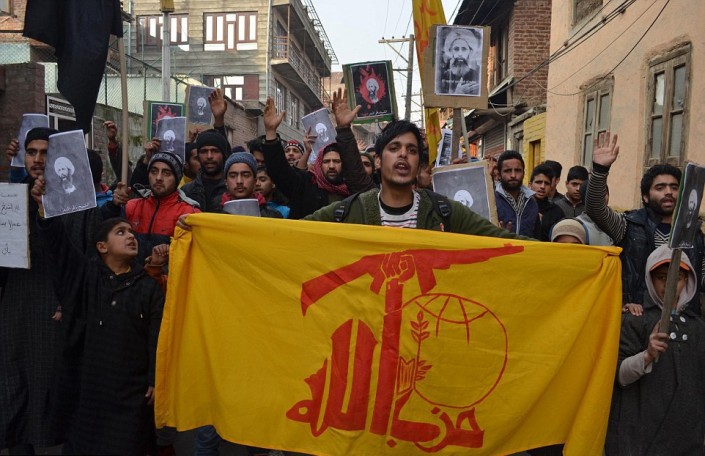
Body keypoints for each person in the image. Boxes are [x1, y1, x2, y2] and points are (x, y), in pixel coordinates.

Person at [32, 189, 164, 454]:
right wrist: (45, 211)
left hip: (131, 395)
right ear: (102, 247)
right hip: (89, 393)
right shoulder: (86, 278)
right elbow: (60, 248)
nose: (130, 236)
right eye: (120, 232)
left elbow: (156, 338)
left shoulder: (148, 288)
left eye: (131, 232)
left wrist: (154, 378)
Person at [304, 119, 528, 241]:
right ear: (378, 160)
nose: (403, 154)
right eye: (394, 148)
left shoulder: (444, 211)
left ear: (418, 162)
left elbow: (502, 240)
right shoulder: (350, 211)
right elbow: (294, 234)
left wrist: (551, 252)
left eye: (411, 150)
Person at [586, 131, 704, 313]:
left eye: (674, 187)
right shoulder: (629, 225)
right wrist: (600, 170)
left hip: (682, 320)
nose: (669, 192)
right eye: (660, 187)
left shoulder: (693, 232)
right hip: (638, 316)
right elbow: (595, 208)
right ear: (645, 197)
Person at [605, 245, 705, 455]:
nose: (669, 284)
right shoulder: (635, 320)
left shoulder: (697, 327)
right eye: (662, 277)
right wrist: (647, 355)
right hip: (641, 435)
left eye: (677, 277)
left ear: (687, 280)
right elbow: (619, 376)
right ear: (651, 279)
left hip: (686, 437)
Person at [0, 127, 65, 454]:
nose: (38, 159)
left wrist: (67, 300)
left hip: (51, 305)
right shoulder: (11, 196)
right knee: (13, 381)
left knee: (43, 383)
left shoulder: (70, 198)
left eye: (45, 152)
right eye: (31, 152)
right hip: (14, 302)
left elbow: (78, 253)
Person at [262, 89, 375, 219]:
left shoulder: (355, 191)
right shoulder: (306, 186)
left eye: (336, 161)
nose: (331, 166)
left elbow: (354, 167)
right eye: (326, 161)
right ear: (319, 164)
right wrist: (270, 132)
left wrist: (344, 129)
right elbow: (279, 172)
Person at [220, 152, 282, 218]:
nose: (239, 181)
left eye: (246, 175)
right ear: (226, 182)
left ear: (255, 181)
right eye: (233, 176)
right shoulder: (214, 214)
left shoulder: (272, 217)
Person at [181, 129, 230, 213]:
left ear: (223, 155)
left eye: (215, 151)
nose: (209, 156)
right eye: (204, 151)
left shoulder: (233, 189)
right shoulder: (185, 191)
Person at [495, 150, 540, 237]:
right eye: (508, 171)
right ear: (499, 174)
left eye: (518, 170)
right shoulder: (492, 200)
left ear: (524, 173)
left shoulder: (531, 202)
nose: (513, 175)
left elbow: (536, 237)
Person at [438, 28, 480, 96]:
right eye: (456, 49)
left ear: (470, 52)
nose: (460, 54)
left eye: (464, 49)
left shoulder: (477, 76)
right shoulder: (442, 76)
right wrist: (457, 93)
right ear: (451, 51)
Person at [530, 164, 564, 241]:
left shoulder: (557, 212)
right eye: (539, 182)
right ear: (530, 184)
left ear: (551, 187)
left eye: (547, 183)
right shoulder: (521, 208)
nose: (542, 186)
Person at [576, 180, 612, 246]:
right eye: (595, 195)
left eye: (604, 193)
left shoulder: (617, 223)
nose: (601, 197)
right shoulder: (577, 225)